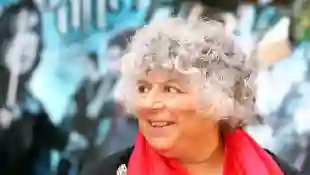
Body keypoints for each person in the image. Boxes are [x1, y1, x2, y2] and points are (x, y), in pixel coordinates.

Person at [83, 17, 298, 175]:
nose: (149, 103)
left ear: (217, 99)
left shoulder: (276, 171)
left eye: (170, 89)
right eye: (143, 88)